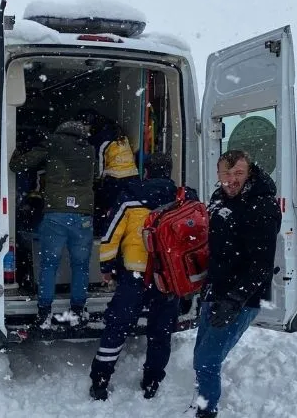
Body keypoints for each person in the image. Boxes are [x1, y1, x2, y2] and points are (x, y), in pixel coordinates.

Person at [89, 153, 193, 401]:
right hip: (168, 278)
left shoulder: (130, 195)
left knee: (117, 326)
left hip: (135, 274)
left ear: (146, 172)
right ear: (169, 172)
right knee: (161, 331)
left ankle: (101, 380)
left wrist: (107, 266)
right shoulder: (183, 197)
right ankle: (152, 381)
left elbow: (111, 234)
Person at [192, 150, 281, 417]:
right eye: (226, 174)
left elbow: (262, 265)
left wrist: (234, 300)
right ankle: (202, 402)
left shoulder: (262, 206)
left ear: (249, 172)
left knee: (207, 361)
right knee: (200, 357)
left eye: (238, 173)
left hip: (240, 299)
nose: (231, 180)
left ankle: (206, 411)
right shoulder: (219, 198)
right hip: (215, 291)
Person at [9, 118, 96, 328]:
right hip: (83, 215)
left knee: (49, 265)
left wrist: (15, 152)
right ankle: (77, 311)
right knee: (81, 266)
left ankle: (45, 313)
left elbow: (18, 165)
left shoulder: (54, 143)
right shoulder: (90, 149)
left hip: (56, 214)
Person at [77, 109, 139, 237]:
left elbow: (100, 164)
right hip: (132, 177)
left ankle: (99, 233)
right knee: (120, 208)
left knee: (101, 205)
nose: (84, 129)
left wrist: (95, 181)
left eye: (85, 125)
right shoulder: (116, 132)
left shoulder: (102, 139)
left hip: (116, 178)